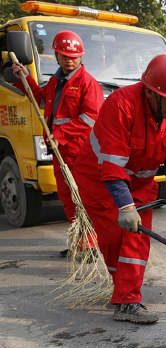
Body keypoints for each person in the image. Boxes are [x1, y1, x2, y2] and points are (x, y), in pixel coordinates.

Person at [72, 53, 166, 323]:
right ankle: (124, 290)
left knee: (138, 237)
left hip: (140, 182)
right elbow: (112, 166)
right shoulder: (121, 105)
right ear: (151, 93)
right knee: (115, 237)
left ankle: (127, 301)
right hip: (99, 179)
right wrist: (126, 207)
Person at [13, 30, 103, 255]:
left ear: (81, 56)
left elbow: (91, 118)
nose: (69, 59)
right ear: (56, 55)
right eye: (64, 55)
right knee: (67, 198)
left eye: (73, 56)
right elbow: (40, 97)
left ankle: (91, 245)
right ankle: (79, 241)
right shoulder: (56, 81)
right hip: (59, 152)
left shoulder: (87, 84)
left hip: (80, 152)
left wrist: (61, 134)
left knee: (83, 197)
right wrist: (25, 77)